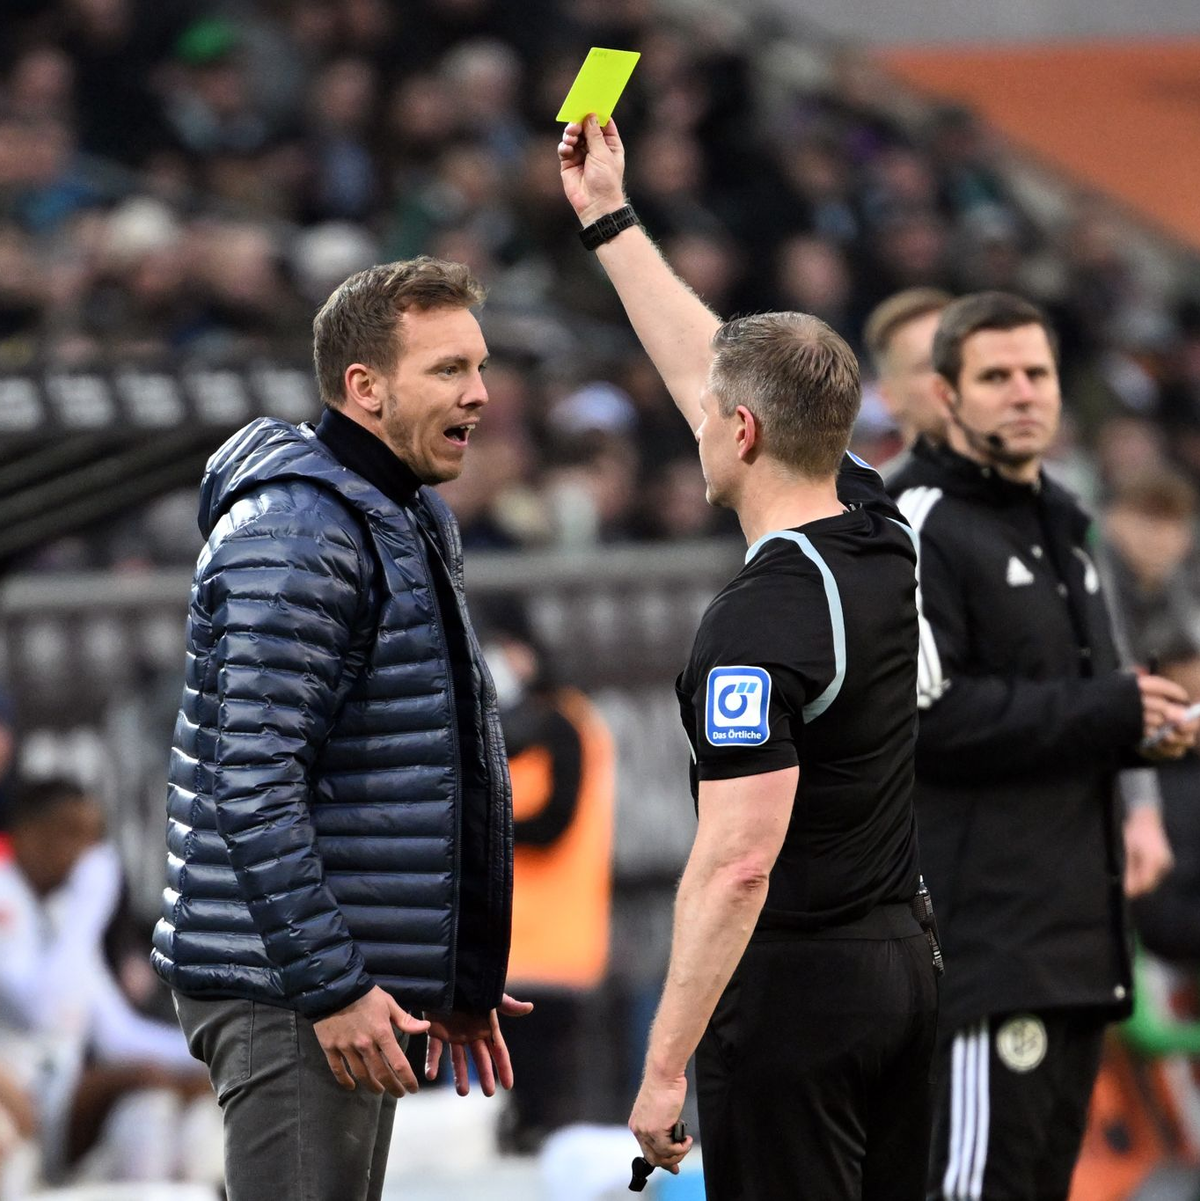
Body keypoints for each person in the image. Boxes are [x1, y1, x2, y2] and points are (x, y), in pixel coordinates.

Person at [559, 115, 940, 1200]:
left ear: (741, 434)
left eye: (709, 422)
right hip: (903, 968)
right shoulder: (880, 531)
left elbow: (736, 864)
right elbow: (709, 372)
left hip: (799, 994)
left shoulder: (759, 617)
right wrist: (611, 220)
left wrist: (666, 1061)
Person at [150, 256, 532, 1201]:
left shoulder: (402, 512)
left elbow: (416, 767)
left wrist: (447, 973)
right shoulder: (297, 529)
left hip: (338, 979)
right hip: (288, 988)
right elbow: (253, 784)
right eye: (448, 369)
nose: (479, 394)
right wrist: (331, 986)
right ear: (364, 387)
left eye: (478, 367)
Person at [885, 291, 1199, 1201]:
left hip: (1076, 941)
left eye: (1038, 373)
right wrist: (1111, 713)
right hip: (987, 948)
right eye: (995, 377)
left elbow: (1089, 704)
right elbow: (927, 720)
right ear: (946, 394)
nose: (1023, 393)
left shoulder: (1065, 518)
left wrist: (1145, 734)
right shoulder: (921, 521)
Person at [0, 778, 216, 1188]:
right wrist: (89, 907)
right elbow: (39, 1008)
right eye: (70, 834)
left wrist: (208, 1056)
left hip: (54, 1096)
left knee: (168, 1101)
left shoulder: (64, 910)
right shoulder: (8, 893)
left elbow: (117, 1033)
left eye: (92, 838)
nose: (85, 855)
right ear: (27, 834)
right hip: (11, 1093)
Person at [479, 600, 616, 1150]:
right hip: (504, 953)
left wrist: (478, 824)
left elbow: (553, 821)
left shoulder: (562, 723)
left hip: (551, 954)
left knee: (542, 1116)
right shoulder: (496, 730)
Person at [862, 285, 953, 457]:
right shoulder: (886, 483)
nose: (949, 375)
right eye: (929, 366)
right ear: (888, 397)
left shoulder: (1015, 478)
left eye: (955, 358)